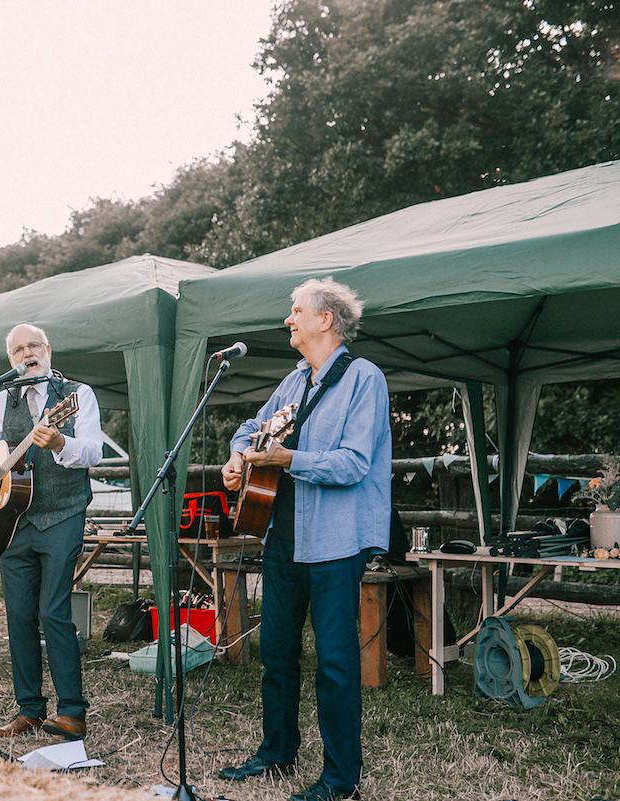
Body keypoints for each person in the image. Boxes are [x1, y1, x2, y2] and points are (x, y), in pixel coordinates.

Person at [218, 277, 390, 801]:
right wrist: (236, 456)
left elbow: (355, 462)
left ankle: (340, 780)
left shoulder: (364, 378)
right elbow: (251, 429)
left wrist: (288, 459)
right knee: (277, 651)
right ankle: (276, 752)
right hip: (281, 534)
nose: (288, 320)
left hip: (336, 542)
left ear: (325, 319)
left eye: (296, 311)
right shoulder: (294, 381)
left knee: (336, 662)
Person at [0, 323, 102, 741]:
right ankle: (28, 709)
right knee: (19, 615)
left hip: (62, 514)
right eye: (17, 350)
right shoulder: (1, 400)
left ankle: (72, 712)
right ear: (10, 360)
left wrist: (61, 442)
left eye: (33, 346)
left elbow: (93, 451)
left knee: (53, 612)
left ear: (47, 349)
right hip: (12, 521)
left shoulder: (76, 395)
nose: (27, 353)